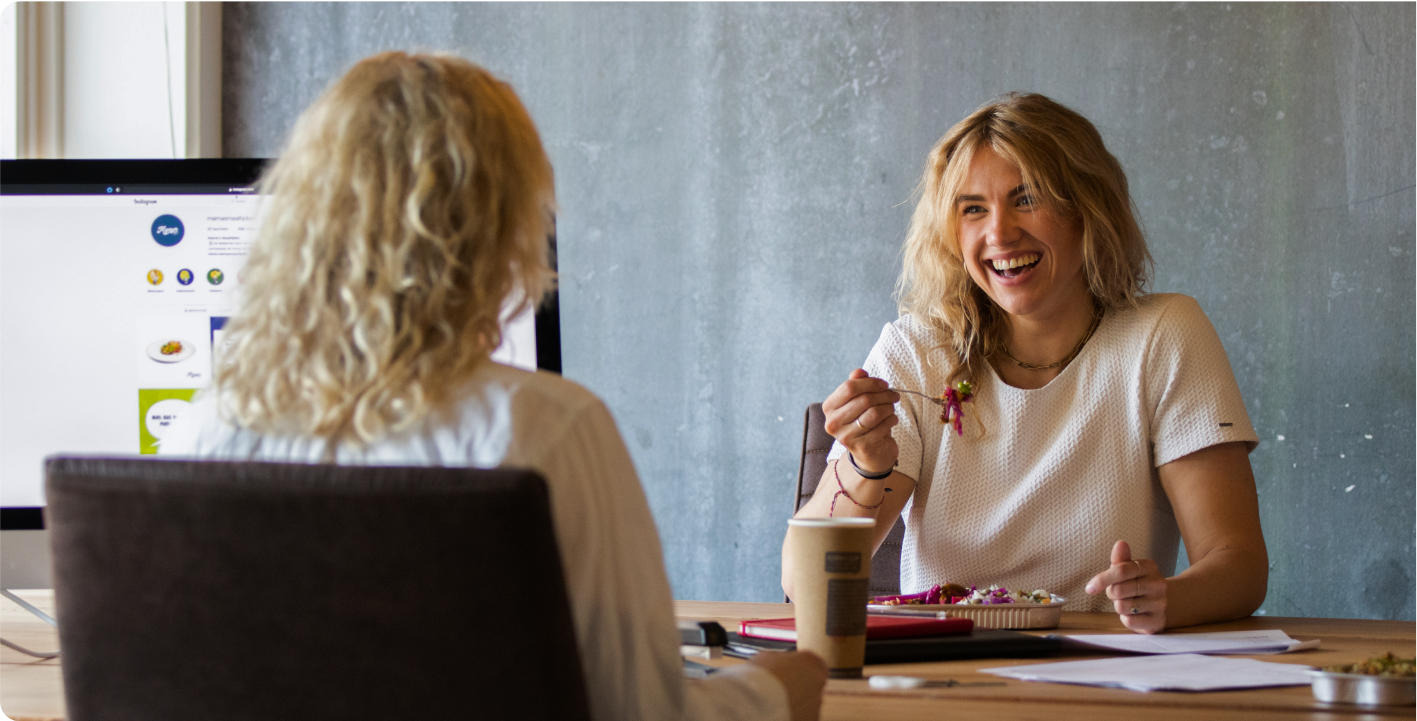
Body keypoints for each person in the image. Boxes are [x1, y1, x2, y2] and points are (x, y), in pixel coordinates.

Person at [161, 52, 827, 721]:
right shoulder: (544, 427)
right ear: (504, 223)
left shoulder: (204, 430)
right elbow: (639, 710)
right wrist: (780, 686)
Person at [782, 92, 1268, 634]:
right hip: (948, 673)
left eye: (1027, 198)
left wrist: (1166, 599)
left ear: (1088, 207)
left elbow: (1238, 565)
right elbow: (803, 586)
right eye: (973, 209)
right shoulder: (917, 351)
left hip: (1105, 672)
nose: (1000, 233)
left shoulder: (1163, 334)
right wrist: (867, 464)